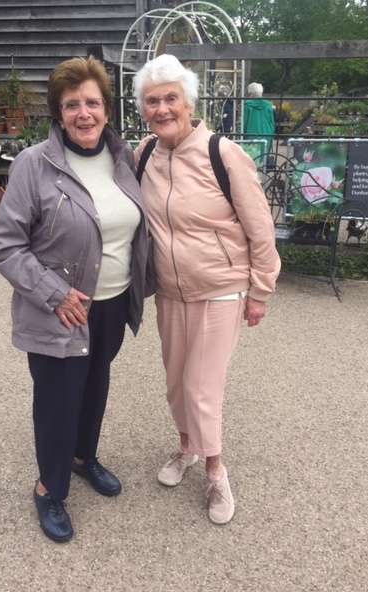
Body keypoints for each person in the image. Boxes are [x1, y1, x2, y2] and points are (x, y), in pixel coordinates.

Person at [0, 56, 148, 542]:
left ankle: (82, 457)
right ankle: (48, 488)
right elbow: (5, 246)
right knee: (58, 400)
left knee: (94, 387)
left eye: (92, 103)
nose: (84, 113)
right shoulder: (35, 164)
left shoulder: (123, 159)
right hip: (62, 309)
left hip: (113, 303)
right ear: (58, 113)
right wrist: (54, 293)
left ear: (107, 109)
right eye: (71, 104)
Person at [132, 54, 280, 525]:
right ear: (143, 109)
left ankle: (216, 470)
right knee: (177, 383)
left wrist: (260, 290)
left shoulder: (223, 152)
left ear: (189, 103)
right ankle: (186, 448)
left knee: (201, 386)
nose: (162, 108)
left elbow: (260, 227)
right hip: (170, 290)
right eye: (152, 101)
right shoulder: (143, 155)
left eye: (171, 98)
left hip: (221, 287)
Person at [243, 82, 276, 163]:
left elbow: (244, 122)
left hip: (252, 135)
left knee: (251, 160)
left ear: (251, 93)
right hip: (266, 134)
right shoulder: (268, 105)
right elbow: (272, 122)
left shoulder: (247, 105)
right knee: (262, 158)